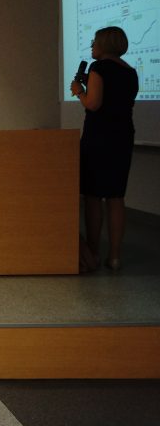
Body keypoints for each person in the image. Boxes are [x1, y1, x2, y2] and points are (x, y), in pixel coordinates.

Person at [70, 26, 139, 272]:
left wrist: (79, 91)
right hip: (122, 137)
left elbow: (93, 104)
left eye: (94, 41)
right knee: (116, 197)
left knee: (93, 196)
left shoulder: (98, 68)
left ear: (104, 44)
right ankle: (115, 256)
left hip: (99, 137)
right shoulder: (130, 71)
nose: (92, 46)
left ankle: (93, 251)